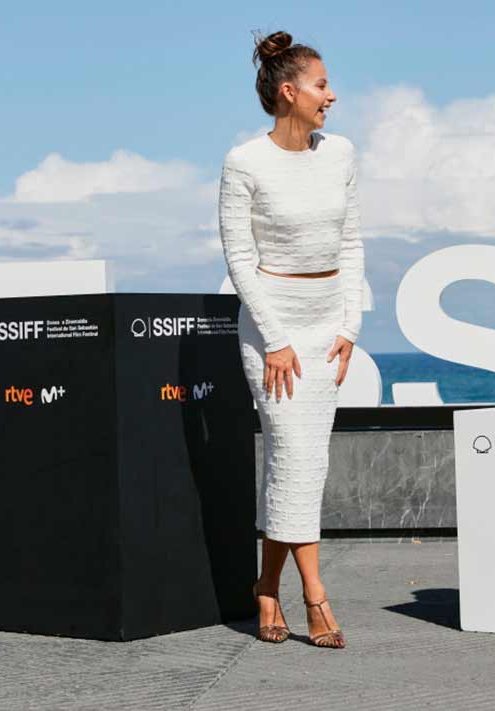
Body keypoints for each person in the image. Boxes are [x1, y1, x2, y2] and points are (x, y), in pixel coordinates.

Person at [218, 30, 363, 649]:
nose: (332, 95)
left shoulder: (342, 154)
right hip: (272, 328)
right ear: (289, 91)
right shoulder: (244, 162)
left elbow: (352, 243)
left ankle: (266, 587)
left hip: (327, 324)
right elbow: (239, 258)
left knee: (307, 463)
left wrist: (349, 326)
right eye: (321, 84)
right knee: (293, 455)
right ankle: (314, 595)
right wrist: (275, 338)